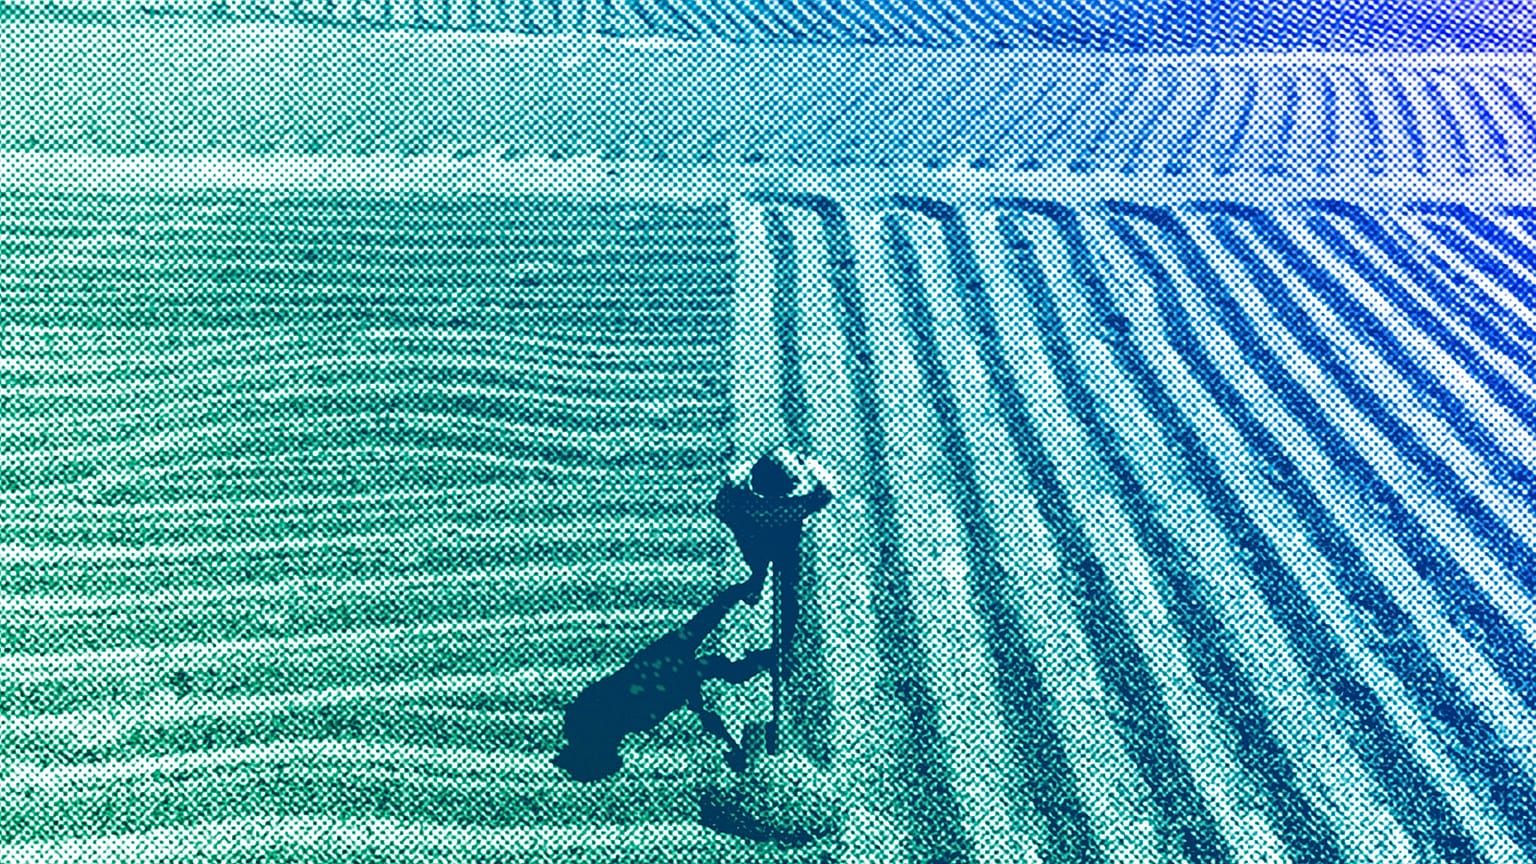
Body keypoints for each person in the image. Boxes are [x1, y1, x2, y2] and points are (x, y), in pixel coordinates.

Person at [552, 580, 773, 783]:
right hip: (657, 665)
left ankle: (762, 642)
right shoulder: (596, 719)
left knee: (716, 649)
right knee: (704, 630)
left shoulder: (625, 718)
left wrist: (701, 708)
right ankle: (748, 598)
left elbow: (680, 694)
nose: (615, 747)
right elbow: (684, 698)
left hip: (662, 669)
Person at [710, 447, 836, 607]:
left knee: (757, 564)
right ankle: (788, 600)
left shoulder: (741, 498)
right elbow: (828, 491)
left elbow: (720, 507)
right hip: (787, 539)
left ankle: (756, 585)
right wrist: (808, 463)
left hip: (752, 537)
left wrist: (738, 524)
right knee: (789, 567)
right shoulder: (797, 505)